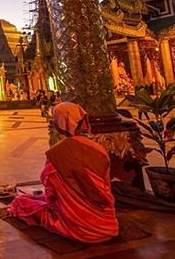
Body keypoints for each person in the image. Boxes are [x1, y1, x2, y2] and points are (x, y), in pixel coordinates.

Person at [8, 102, 119, 243]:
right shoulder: (99, 150)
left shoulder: (56, 153)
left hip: (75, 226)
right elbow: (105, 186)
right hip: (107, 222)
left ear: (59, 124)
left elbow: (50, 197)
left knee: (20, 202)